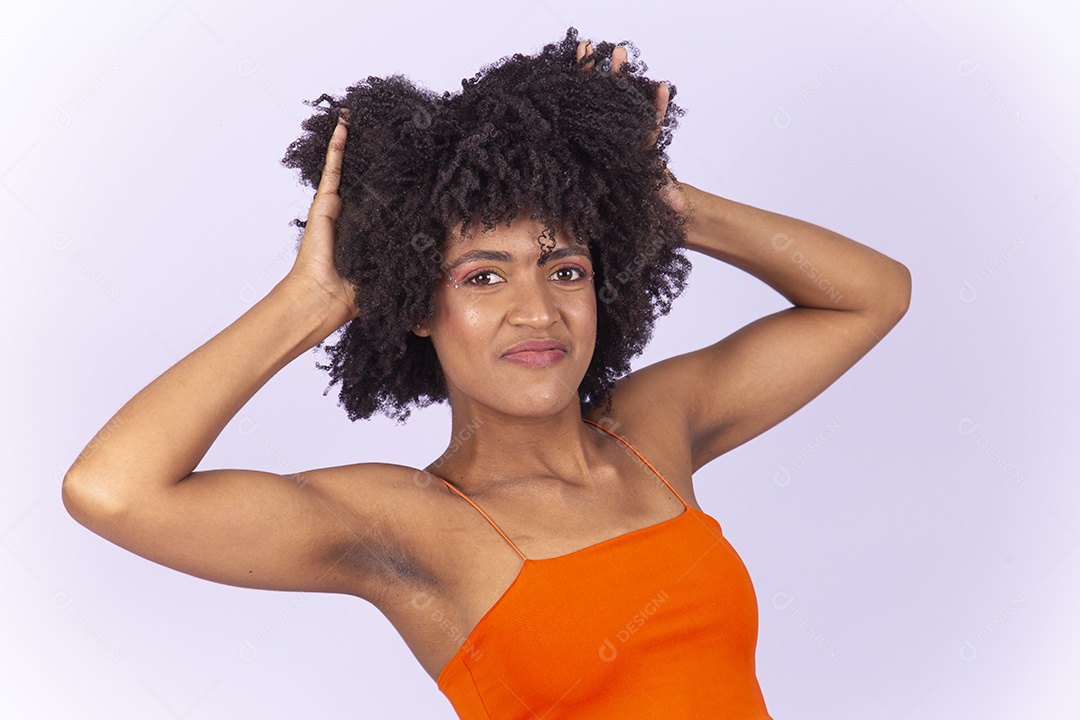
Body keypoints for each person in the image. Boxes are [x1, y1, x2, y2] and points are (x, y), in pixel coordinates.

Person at [62, 27, 910, 719]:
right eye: (483, 276)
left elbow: (871, 296)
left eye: (566, 269)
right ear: (417, 305)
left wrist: (669, 205)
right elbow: (113, 490)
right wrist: (311, 300)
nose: (536, 311)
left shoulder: (655, 431)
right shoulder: (410, 524)